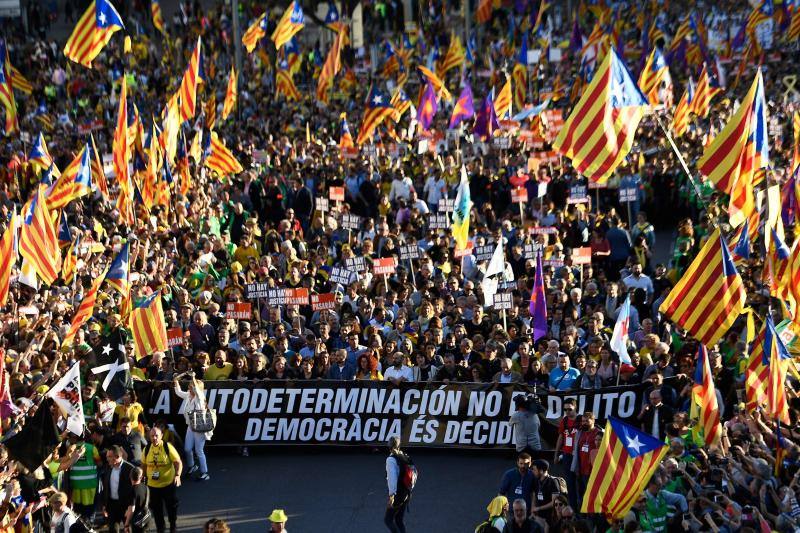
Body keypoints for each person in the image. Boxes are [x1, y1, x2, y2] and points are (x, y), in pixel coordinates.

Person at [173, 372, 212, 481]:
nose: (190, 387)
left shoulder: (200, 397)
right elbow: (179, 392)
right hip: (190, 426)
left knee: (199, 451)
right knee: (187, 449)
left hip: (200, 427)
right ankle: (192, 466)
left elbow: (198, 392)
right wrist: (176, 381)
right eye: (190, 386)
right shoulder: (188, 395)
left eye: (192, 386)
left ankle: (205, 473)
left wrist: (194, 377)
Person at [143, 426, 182, 533]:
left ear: (161, 436)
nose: (154, 438)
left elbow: (178, 462)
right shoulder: (146, 449)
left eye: (156, 436)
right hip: (153, 486)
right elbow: (144, 464)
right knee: (156, 509)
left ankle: (173, 525)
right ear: (149, 436)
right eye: (152, 436)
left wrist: (178, 475)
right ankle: (161, 528)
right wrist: (144, 478)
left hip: (168, 484)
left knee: (171, 507)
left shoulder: (167, 447)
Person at [101, 445, 135, 533]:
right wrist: (105, 504)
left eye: (109, 456)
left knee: (128, 529)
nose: (107, 458)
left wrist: (131, 506)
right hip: (112, 505)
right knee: (112, 529)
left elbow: (135, 490)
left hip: (125, 506)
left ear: (117, 457)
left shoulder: (130, 469)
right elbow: (106, 487)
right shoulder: (108, 467)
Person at [385, 436, 412, 533]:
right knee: (399, 520)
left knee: (388, 520)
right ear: (399, 445)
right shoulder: (404, 456)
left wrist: (392, 496)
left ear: (389, 446)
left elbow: (392, 479)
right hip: (407, 492)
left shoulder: (391, 460)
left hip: (398, 494)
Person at [125, 467, 151, 533]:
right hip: (146, 519)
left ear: (130, 477)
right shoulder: (145, 487)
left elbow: (132, 509)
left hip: (137, 522)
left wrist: (126, 524)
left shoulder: (132, 490)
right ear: (141, 477)